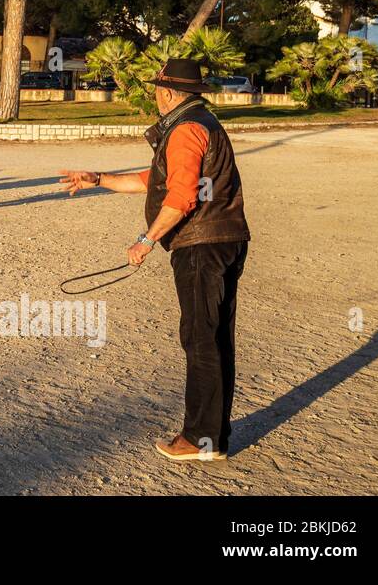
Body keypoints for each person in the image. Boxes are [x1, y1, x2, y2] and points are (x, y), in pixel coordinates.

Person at [58, 58, 250, 462]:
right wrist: (100, 179)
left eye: (155, 90)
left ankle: (200, 439)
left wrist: (146, 240)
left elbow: (181, 197)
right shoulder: (201, 122)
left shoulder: (184, 130)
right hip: (226, 238)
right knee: (215, 338)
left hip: (201, 245)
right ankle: (213, 436)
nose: (154, 97)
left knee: (200, 339)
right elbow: (155, 182)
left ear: (165, 93)